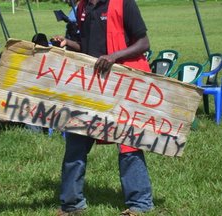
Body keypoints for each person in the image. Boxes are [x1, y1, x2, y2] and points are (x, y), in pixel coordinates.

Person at [51, 0, 154, 215]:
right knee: (75, 141)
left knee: (129, 144)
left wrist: (114, 57)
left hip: (122, 84)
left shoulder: (124, 3)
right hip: (92, 85)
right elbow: (87, 47)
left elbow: (144, 43)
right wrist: (69, 43)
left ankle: (139, 204)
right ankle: (71, 204)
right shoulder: (81, 7)